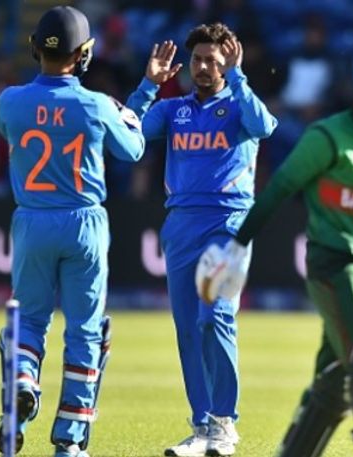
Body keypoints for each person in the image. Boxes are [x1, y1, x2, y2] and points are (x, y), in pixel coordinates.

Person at [196, 47, 353, 457]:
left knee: (335, 380)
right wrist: (237, 246)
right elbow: (279, 189)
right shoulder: (327, 138)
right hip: (336, 267)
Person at [0, 6, 145, 457]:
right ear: (84, 56)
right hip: (84, 224)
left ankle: (23, 381)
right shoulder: (97, 105)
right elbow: (134, 150)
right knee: (85, 331)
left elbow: (16, 130)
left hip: (32, 220)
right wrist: (142, 97)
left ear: (35, 48)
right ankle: (70, 441)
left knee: (29, 322)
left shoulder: (9, 100)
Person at [125, 22, 277, 457]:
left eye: (214, 60)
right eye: (199, 60)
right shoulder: (175, 110)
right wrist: (148, 85)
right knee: (189, 328)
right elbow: (128, 136)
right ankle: (203, 425)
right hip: (181, 224)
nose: (205, 67)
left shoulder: (239, 103)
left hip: (228, 221)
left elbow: (264, 127)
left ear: (227, 63)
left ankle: (224, 423)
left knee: (216, 315)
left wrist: (241, 76)